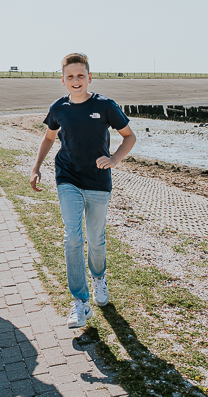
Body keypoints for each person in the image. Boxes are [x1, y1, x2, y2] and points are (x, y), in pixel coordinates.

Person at [30, 53, 136, 328]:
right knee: (73, 237)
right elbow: (49, 137)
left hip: (99, 181)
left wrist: (114, 159)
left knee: (96, 238)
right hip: (67, 177)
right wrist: (36, 166)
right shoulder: (59, 108)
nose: (75, 81)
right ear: (63, 80)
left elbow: (129, 136)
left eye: (80, 76)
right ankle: (80, 301)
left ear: (89, 77)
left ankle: (99, 278)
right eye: (70, 76)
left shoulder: (105, 105)